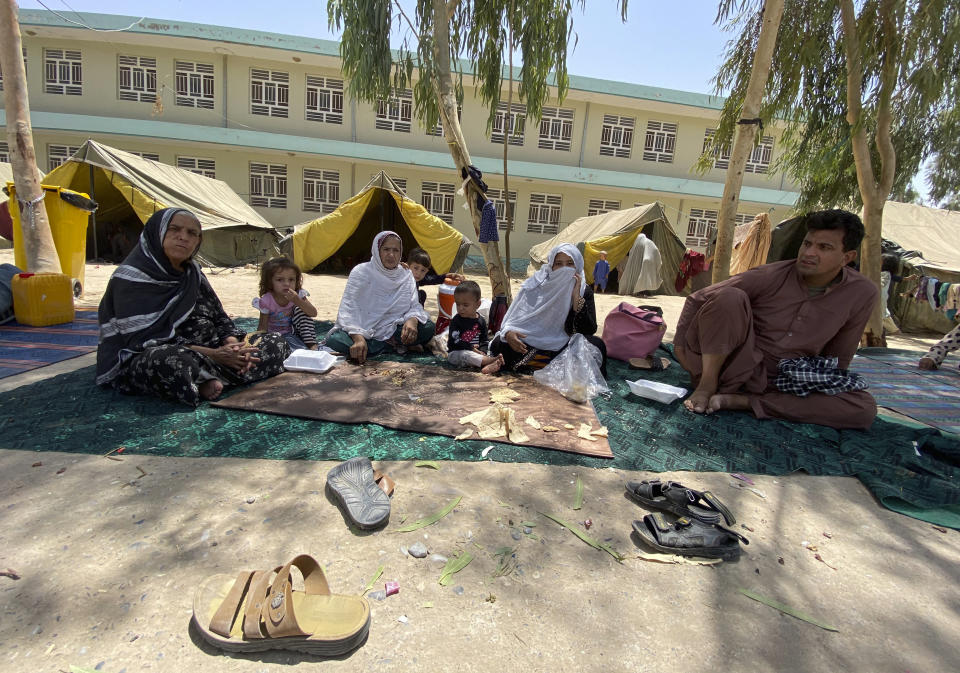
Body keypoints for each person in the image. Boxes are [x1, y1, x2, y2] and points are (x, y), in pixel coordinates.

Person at [674, 209, 878, 430]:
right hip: (736, 368)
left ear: (847, 257)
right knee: (729, 296)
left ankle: (743, 402)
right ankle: (707, 386)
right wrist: (682, 353)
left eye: (824, 248)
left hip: (788, 381)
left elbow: (839, 357)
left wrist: (819, 385)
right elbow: (697, 299)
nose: (809, 252)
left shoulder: (862, 293)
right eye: (807, 244)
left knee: (863, 408)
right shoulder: (770, 275)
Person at [96, 208, 289, 406]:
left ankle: (206, 378)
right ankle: (210, 375)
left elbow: (219, 316)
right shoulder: (130, 278)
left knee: (275, 341)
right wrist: (215, 355)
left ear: (198, 241)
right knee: (171, 363)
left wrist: (233, 345)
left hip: (214, 350)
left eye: (192, 233)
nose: (183, 237)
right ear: (158, 232)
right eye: (174, 229)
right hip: (168, 353)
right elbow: (143, 341)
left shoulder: (193, 273)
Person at [489, 244, 607, 375]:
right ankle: (550, 369)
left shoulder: (584, 291)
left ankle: (538, 366)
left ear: (577, 266)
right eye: (559, 264)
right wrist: (509, 333)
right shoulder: (537, 284)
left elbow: (587, 330)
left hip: (562, 344)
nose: (564, 269)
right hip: (531, 341)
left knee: (596, 345)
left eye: (569, 264)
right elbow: (514, 318)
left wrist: (576, 299)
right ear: (551, 266)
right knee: (501, 343)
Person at [327, 231, 436, 363]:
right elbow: (349, 311)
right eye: (386, 249)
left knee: (428, 327)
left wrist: (412, 320)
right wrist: (358, 338)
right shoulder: (361, 272)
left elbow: (414, 305)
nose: (391, 255)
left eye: (396, 250)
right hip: (364, 330)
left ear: (401, 252)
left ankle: (377, 347)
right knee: (334, 339)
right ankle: (389, 346)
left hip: (394, 330)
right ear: (377, 250)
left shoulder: (406, 274)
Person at [253, 256, 319, 350]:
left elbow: (313, 313)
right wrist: (258, 343)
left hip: (294, 333)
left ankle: (312, 345)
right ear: (270, 282)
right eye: (280, 280)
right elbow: (262, 326)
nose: (287, 284)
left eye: (291, 279)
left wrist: (297, 301)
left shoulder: (298, 294)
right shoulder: (267, 301)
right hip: (274, 337)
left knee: (301, 311)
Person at [446, 280, 504, 374]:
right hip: (457, 353)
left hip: (477, 355)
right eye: (458, 304)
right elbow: (455, 342)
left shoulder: (481, 321)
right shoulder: (456, 321)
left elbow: (484, 340)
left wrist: (482, 351)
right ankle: (489, 362)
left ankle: (486, 363)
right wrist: (472, 348)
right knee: (466, 355)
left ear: (478, 304)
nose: (460, 308)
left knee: (491, 349)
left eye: (465, 305)